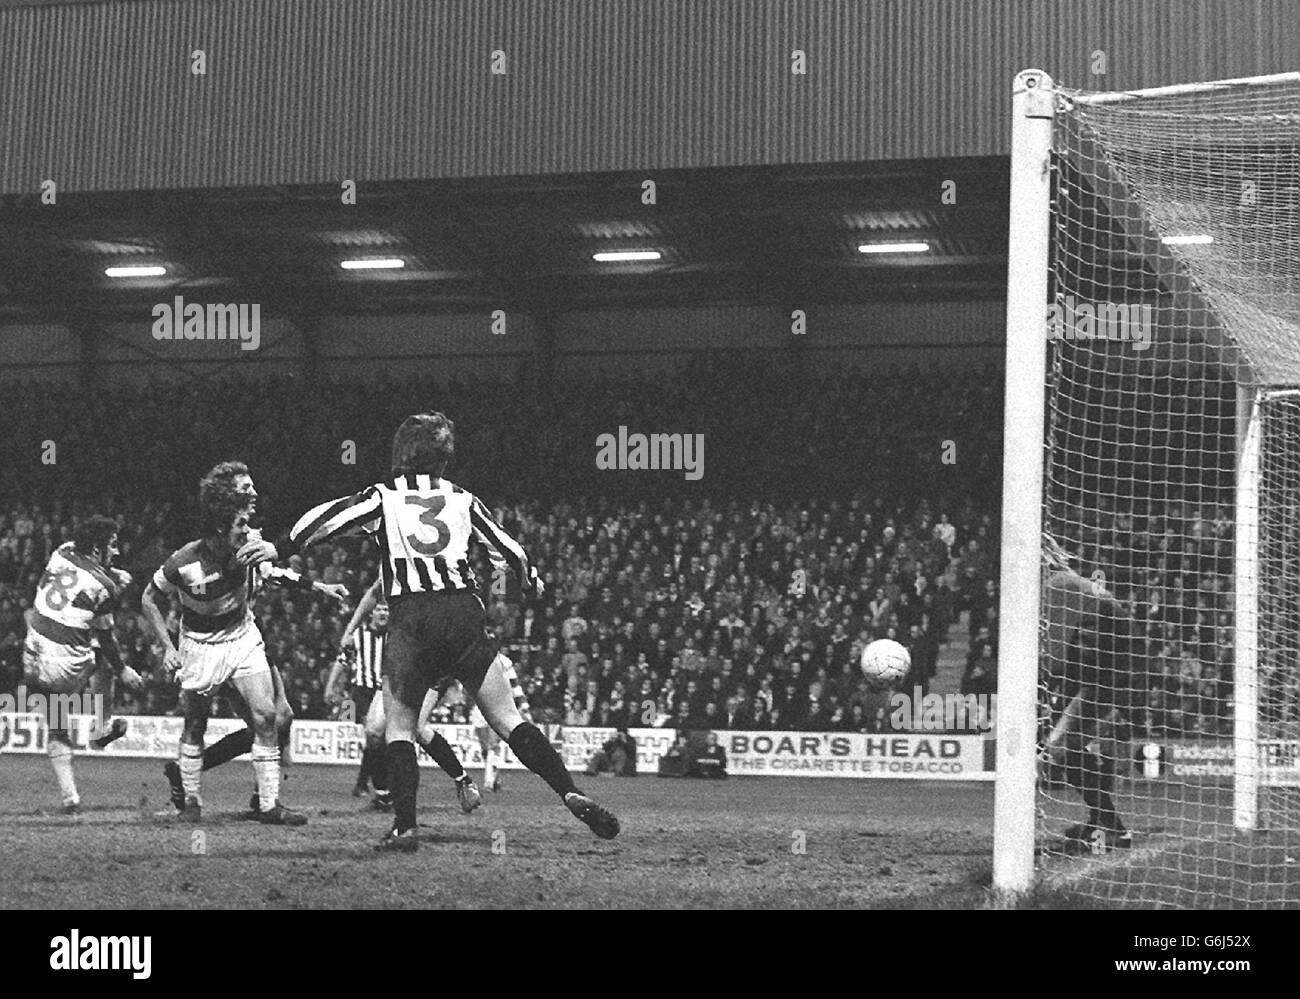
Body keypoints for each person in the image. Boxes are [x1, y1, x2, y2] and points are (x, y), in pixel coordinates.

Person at [237, 412, 619, 851]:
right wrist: (530, 577)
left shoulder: (383, 496)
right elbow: (508, 547)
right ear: (443, 460)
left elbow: (329, 517)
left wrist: (281, 547)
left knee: (399, 728)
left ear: (402, 454)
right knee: (509, 718)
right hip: (462, 613)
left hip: (412, 619)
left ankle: (405, 827)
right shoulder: (462, 498)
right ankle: (569, 790)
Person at [143, 462, 344, 825]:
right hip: (199, 647)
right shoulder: (183, 562)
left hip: (242, 637)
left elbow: (276, 572)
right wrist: (168, 648)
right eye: (241, 525)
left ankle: (268, 805)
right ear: (222, 525)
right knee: (195, 725)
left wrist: (318, 587)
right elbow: (148, 599)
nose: (248, 529)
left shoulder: (249, 548)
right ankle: (190, 802)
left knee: (268, 716)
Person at [22, 517, 143, 812]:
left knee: (57, 725)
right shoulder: (106, 587)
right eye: (112, 546)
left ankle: (70, 797)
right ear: (98, 548)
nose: (115, 551)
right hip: (64, 668)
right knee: (103, 654)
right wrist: (123, 669)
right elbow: (107, 636)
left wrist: (112, 571)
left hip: (31, 657)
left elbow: (79, 570)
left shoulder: (61, 551)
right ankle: (101, 728)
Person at [329, 577, 480, 812]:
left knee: (416, 728)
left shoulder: (442, 572)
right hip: (403, 666)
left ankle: (462, 781)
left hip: (434, 664)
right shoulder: (397, 564)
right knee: (374, 730)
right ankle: (384, 794)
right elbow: (373, 592)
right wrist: (349, 630)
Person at [1040, 534, 1145, 852]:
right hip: (1106, 673)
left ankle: (1113, 827)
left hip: (1103, 677)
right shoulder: (1071, 583)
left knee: (1059, 749)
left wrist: (1044, 687)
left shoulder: (1058, 587)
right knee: (1070, 747)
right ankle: (1101, 822)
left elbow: (1056, 655)